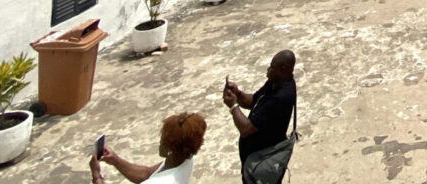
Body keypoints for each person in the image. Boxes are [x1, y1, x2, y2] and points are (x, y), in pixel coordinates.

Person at [223, 50, 297, 183]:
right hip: (253, 160)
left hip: (261, 163)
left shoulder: (281, 97)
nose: (268, 69)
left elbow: (246, 129)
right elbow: (253, 101)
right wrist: (238, 94)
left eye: (272, 67)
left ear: (282, 69)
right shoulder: (275, 82)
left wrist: (233, 106)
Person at [89, 112, 206, 183]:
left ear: (170, 146)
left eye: (163, 138)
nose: (160, 142)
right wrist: (115, 160)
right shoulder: (186, 158)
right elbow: (146, 174)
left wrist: (96, 175)